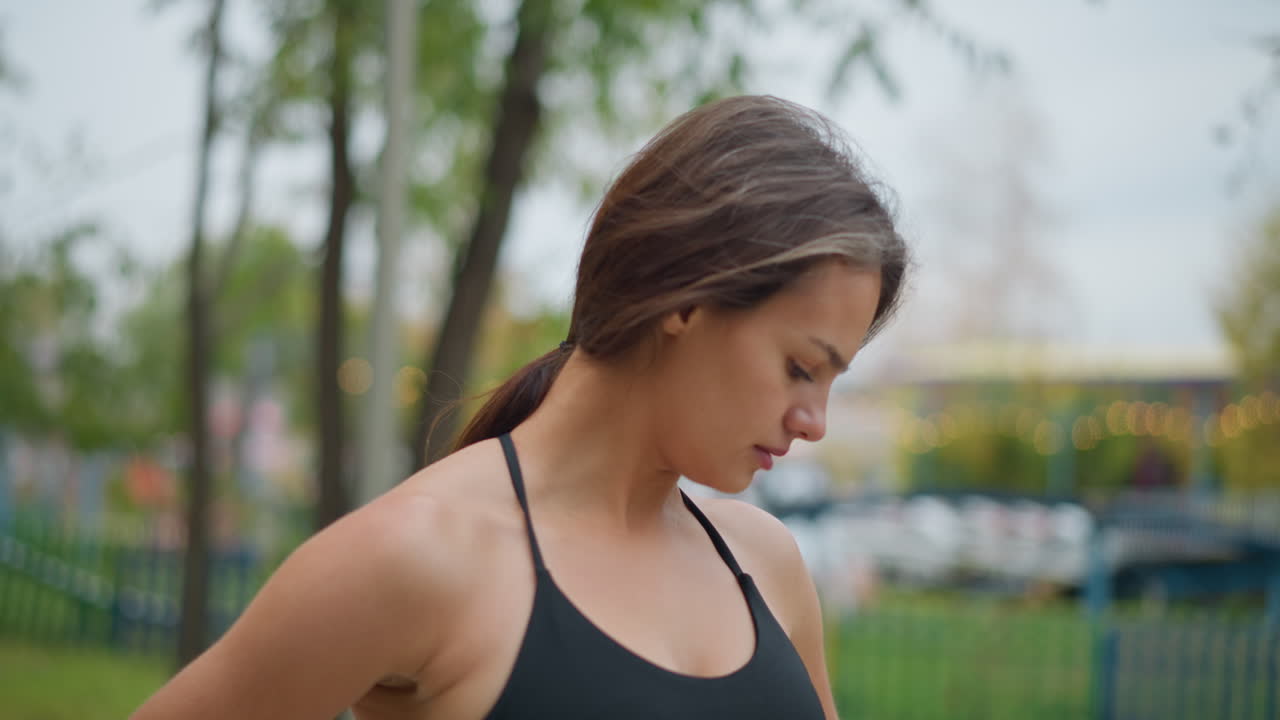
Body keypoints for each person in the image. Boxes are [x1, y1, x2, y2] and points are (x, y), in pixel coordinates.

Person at [132, 94, 909, 720]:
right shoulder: (417, 556)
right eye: (801, 367)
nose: (817, 421)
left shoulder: (766, 567)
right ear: (688, 300)